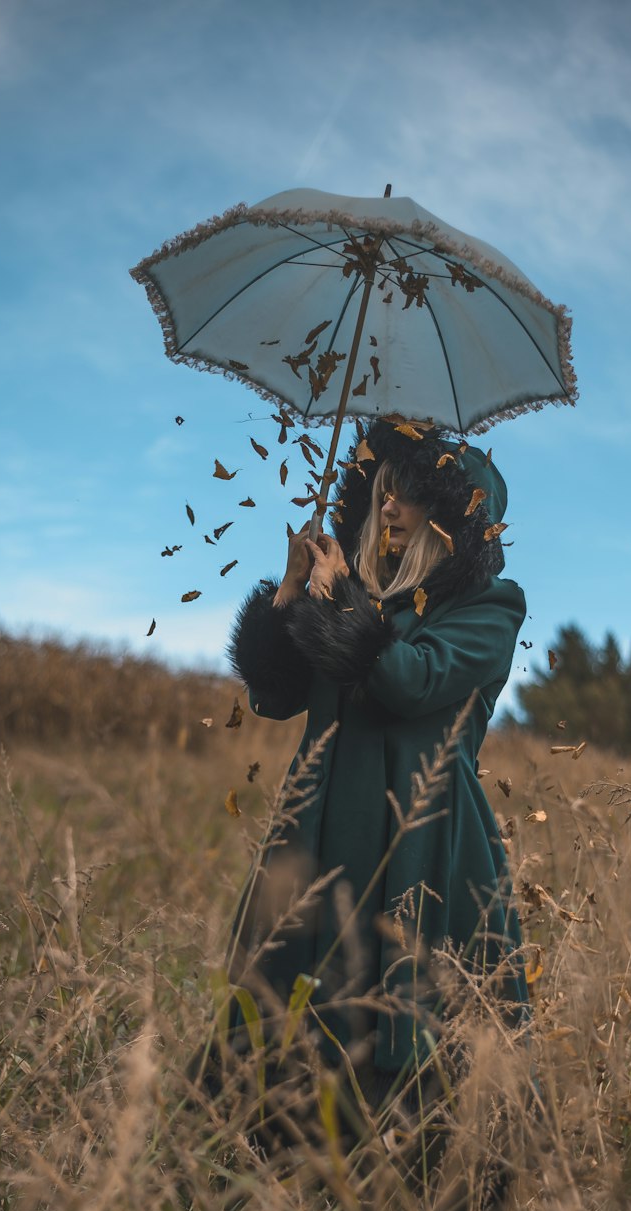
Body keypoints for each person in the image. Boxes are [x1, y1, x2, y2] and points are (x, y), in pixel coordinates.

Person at [223, 416, 530, 1144]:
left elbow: (408, 680)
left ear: (455, 517)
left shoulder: (489, 609)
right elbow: (274, 693)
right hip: (321, 822)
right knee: (291, 995)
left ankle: (415, 1175)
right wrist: (295, 590)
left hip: (421, 839)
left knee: (414, 1007)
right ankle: (282, 1150)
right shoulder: (353, 591)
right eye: (380, 492)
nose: (386, 508)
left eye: (409, 496)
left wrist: (340, 604)